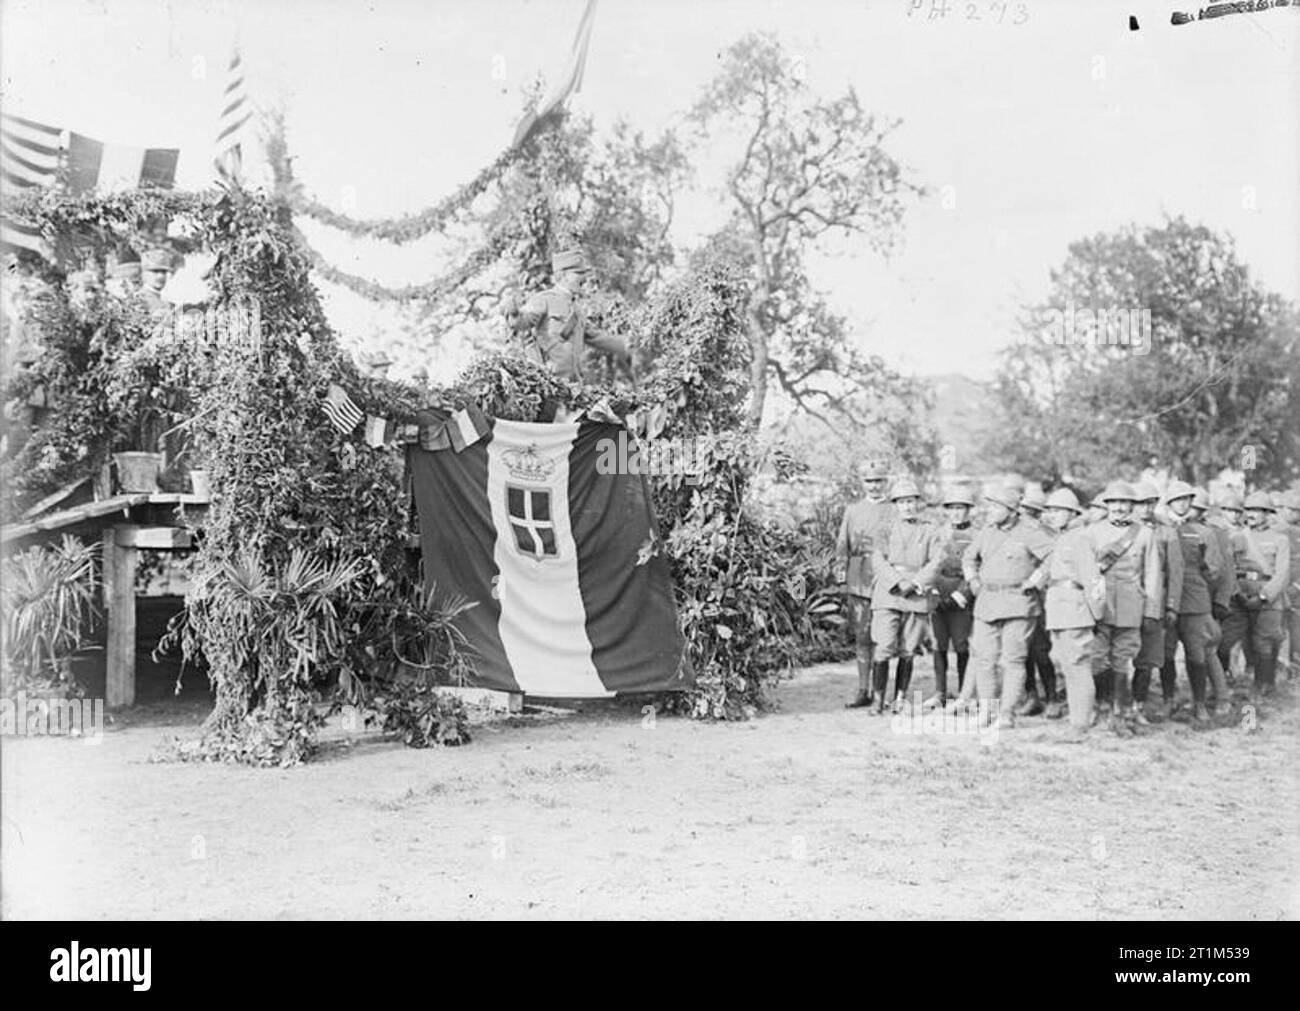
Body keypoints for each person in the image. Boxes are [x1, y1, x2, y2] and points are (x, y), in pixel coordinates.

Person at [960, 484, 1053, 729]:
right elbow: (969, 557)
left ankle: (1006, 714)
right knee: (984, 659)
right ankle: (987, 711)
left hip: (1019, 604)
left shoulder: (1031, 532)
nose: (989, 510)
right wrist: (972, 579)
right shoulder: (987, 532)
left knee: (1013, 660)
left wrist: (1036, 581)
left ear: (1011, 511)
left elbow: (1054, 557)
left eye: (995, 506)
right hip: (987, 603)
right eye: (989, 505)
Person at [1085, 481, 1161, 736]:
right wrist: (1087, 606)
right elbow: (1086, 572)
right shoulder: (1092, 532)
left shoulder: (1145, 534)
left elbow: (1152, 575)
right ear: (1106, 505)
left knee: (1123, 659)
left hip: (1131, 605)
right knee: (1096, 657)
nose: (1119, 507)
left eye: (1124, 503)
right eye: (1114, 502)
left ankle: (1121, 709)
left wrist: (1151, 610)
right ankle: (1100, 704)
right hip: (1100, 605)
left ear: (1132, 506)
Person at [869, 478, 942, 714]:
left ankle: (900, 697)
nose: (907, 507)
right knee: (884, 645)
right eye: (902, 502)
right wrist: (898, 581)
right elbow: (878, 559)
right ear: (895, 505)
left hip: (916, 596)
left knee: (908, 648)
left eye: (911, 501)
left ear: (918, 503)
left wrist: (916, 583)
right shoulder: (885, 528)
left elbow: (936, 561)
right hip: (890, 593)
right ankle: (878, 699)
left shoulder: (929, 530)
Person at [509, 247, 631, 382]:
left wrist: (624, 346)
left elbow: (597, 337)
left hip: (574, 387)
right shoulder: (544, 299)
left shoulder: (577, 310)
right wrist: (513, 313)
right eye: (579, 273)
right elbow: (524, 321)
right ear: (563, 275)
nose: (584, 278)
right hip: (549, 384)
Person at [1161, 481, 1226, 722]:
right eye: (1177, 499)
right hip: (1164, 599)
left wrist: (1199, 582)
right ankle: (1169, 700)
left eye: (1187, 499)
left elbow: (1215, 569)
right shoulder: (1159, 529)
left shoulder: (1203, 532)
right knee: (1165, 654)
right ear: (1168, 503)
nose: (1182, 504)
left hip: (1194, 601)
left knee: (1196, 654)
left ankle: (1199, 703)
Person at [1041, 488, 1102, 741]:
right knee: (1067, 665)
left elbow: (1093, 580)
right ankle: (1077, 720)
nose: (1051, 515)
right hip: (1059, 609)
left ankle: (1080, 725)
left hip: (1075, 609)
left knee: (1077, 666)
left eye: (1057, 510)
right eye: (1050, 511)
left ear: (1071, 512)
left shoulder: (1080, 538)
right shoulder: (1064, 537)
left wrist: (1097, 614)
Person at [835, 459, 897, 708]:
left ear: (886, 482)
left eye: (879, 481)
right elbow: (842, 544)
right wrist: (841, 571)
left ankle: (882, 691)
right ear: (863, 483)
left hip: (887, 576)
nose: (874, 486)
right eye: (870, 481)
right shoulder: (853, 510)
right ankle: (863, 689)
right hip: (859, 575)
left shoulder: (895, 510)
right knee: (862, 635)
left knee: (885, 635)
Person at [1222, 492, 1291, 696]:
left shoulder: (1280, 539)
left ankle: (1264, 685)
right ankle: (1222, 684)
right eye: (1249, 509)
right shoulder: (1237, 537)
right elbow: (1228, 568)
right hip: (1240, 596)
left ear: (1268, 514)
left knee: (1265, 641)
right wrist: (1238, 594)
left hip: (1267, 597)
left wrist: (1263, 597)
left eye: (1258, 510)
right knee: (1226, 639)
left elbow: (1282, 574)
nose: (1252, 514)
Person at [1130, 480, 1184, 722]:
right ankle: (1118, 705)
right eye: (1140, 504)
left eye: (1150, 503)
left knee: (1158, 654)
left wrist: (1172, 604)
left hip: (1156, 600)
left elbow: (1176, 571)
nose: (1145, 509)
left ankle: (1160, 700)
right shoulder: (1122, 529)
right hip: (1125, 599)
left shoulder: (1166, 531)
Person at [924, 485, 977, 707]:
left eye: (961, 508)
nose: (956, 513)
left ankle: (965, 693)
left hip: (962, 591)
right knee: (939, 643)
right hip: (938, 589)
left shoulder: (977, 535)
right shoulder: (937, 533)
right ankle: (940, 691)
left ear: (968, 510)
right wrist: (934, 591)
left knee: (962, 643)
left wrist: (960, 595)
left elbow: (977, 566)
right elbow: (929, 563)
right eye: (952, 508)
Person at [1017, 484, 1060, 717]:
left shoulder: (1048, 534)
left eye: (1033, 511)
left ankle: (1053, 698)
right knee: (1020, 650)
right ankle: (1031, 695)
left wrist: (1036, 580)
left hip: (1038, 598)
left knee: (1040, 649)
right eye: (1024, 510)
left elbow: (1053, 561)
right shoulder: (1011, 531)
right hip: (1013, 597)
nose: (1027, 515)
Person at [1195, 487, 1236, 713]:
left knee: (1208, 648)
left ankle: (1221, 697)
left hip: (1207, 599)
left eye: (1197, 507)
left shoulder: (1216, 532)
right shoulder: (1173, 528)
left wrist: (1221, 601)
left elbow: (1226, 571)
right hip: (1181, 598)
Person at [1277, 489, 1300, 680]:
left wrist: (1297, 587)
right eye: (1289, 509)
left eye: (1296, 510)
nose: (1293, 514)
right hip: (1277, 589)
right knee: (1276, 630)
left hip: (1297, 591)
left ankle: (1294, 668)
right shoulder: (1275, 531)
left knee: (1296, 631)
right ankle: (1280, 668)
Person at [139, 248, 174, 313]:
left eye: (164, 272)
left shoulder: (167, 303)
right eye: (155, 271)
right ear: (144, 274)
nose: (160, 276)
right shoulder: (138, 300)